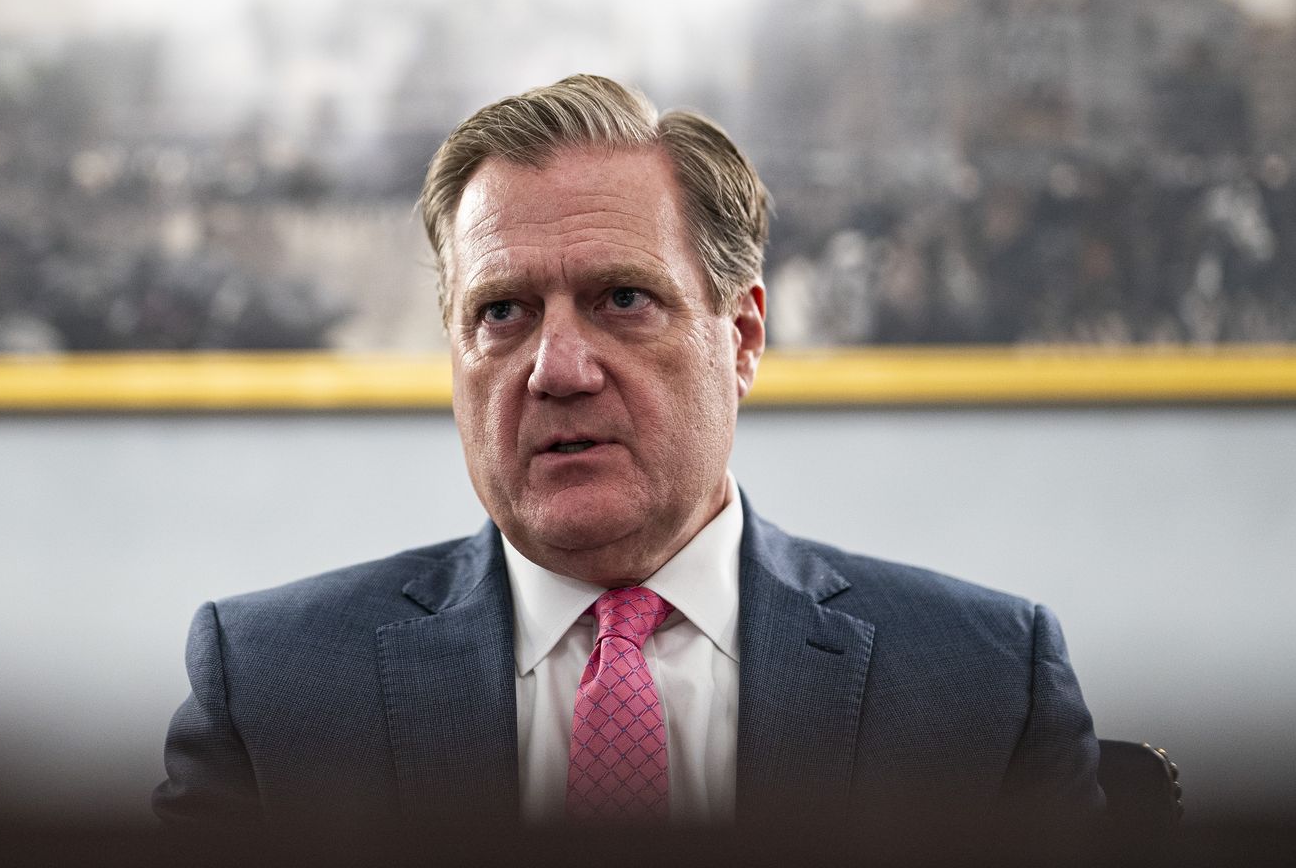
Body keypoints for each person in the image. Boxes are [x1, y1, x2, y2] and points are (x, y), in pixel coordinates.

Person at [153, 74, 1102, 831]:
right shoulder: (273, 688)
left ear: (741, 338)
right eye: (502, 313)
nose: (556, 370)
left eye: (622, 300)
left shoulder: (980, 685)